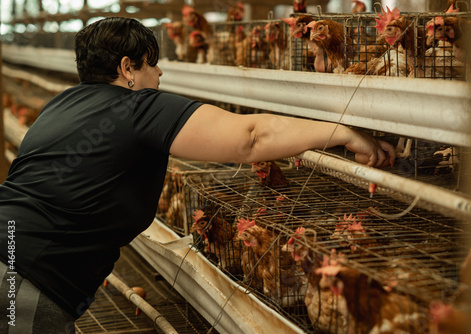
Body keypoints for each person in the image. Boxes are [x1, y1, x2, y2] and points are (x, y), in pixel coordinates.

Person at [0, 17, 395, 333]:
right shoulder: (137, 107)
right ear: (127, 70)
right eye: (151, 63)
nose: (159, 73)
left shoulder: (61, 105)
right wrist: (341, 131)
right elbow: (251, 138)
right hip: (25, 277)